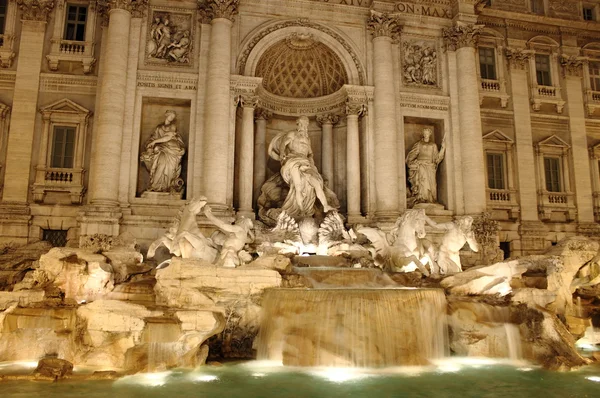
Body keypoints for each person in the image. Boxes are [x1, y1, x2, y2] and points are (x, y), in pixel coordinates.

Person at [268, 116, 335, 219]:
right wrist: (282, 154)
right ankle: (301, 211)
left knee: (317, 184)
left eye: (305, 124)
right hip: (292, 161)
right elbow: (283, 144)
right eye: (301, 124)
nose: (303, 126)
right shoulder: (292, 134)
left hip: (305, 163)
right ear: (298, 124)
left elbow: (310, 154)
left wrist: (313, 167)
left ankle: (325, 206)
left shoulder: (307, 139)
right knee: (298, 187)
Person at [140, 110, 186, 193]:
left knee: (169, 169)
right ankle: (156, 186)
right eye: (171, 116)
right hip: (162, 149)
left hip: (172, 151)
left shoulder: (173, 126)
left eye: (173, 117)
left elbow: (170, 138)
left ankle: (166, 186)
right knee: (161, 163)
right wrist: (150, 144)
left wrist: (154, 142)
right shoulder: (159, 127)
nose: (172, 118)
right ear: (167, 115)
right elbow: (153, 138)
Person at [406, 128, 445, 204]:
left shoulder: (433, 145)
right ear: (423, 134)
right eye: (425, 133)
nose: (426, 134)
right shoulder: (419, 144)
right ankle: (421, 198)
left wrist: (443, 148)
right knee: (422, 182)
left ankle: (431, 199)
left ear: (430, 134)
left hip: (430, 167)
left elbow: (437, 158)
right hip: (421, 166)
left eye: (427, 133)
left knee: (432, 184)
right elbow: (412, 155)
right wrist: (412, 162)